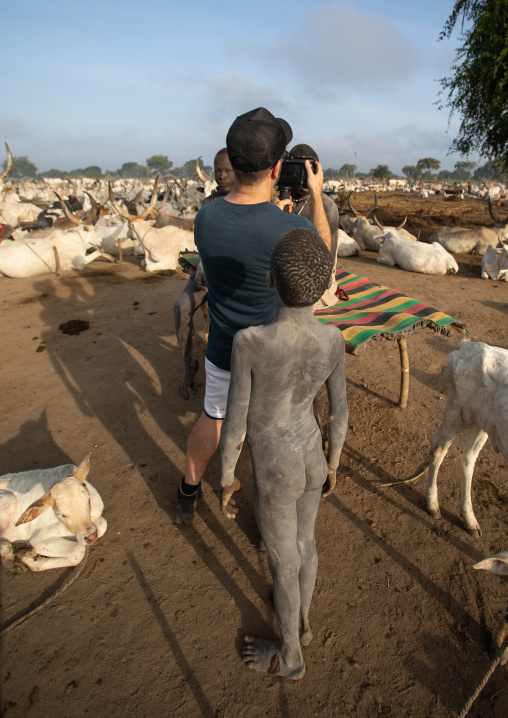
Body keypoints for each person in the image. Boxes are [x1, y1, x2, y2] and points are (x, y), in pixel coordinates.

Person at [175, 107, 332, 523]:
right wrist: (314, 195)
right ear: (278, 167)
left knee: (213, 417)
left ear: (231, 161)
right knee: (272, 433)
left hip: (225, 348)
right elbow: (323, 262)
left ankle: (187, 491)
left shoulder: (205, 217)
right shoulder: (287, 230)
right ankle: (267, 518)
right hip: (271, 354)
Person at [219, 228, 348, 678]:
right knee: (306, 543)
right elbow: (338, 415)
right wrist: (333, 465)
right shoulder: (332, 338)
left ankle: (291, 655)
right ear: (325, 286)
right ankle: (304, 625)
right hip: (312, 456)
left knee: (283, 561)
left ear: (271, 279)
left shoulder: (250, 342)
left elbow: (236, 421)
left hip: (275, 468)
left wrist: (226, 477)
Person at [173, 149, 236, 400]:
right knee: (181, 308)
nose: (221, 176)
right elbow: (203, 245)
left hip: (233, 280)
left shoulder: (246, 202)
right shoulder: (208, 204)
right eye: (217, 171)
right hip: (206, 276)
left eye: (227, 171)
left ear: (238, 172)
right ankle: (189, 367)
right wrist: (200, 268)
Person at [284, 144, 340, 308]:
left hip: (312, 279)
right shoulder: (279, 200)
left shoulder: (327, 206)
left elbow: (326, 263)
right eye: (299, 169)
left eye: (310, 170)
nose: (305, 176)